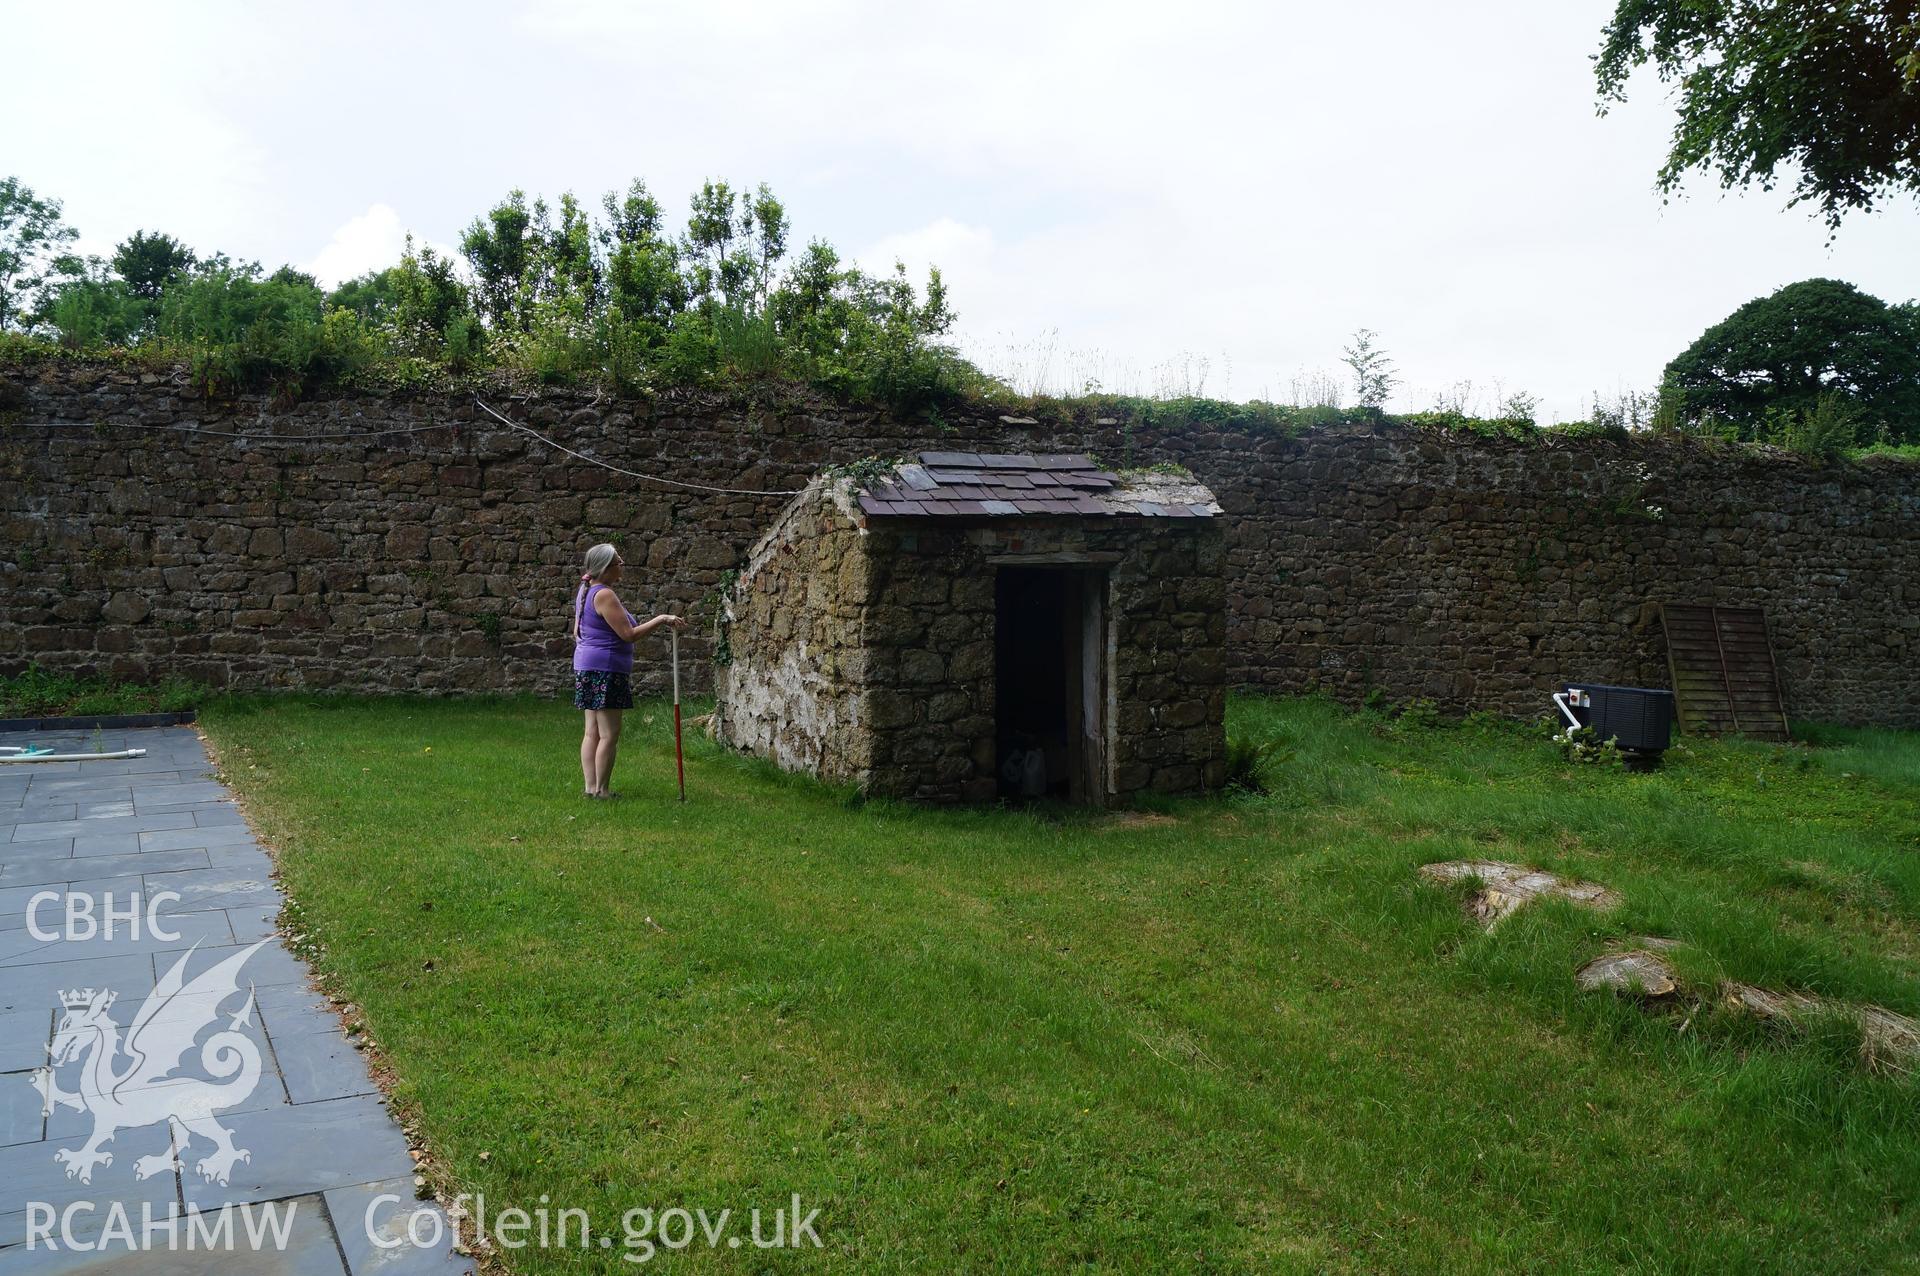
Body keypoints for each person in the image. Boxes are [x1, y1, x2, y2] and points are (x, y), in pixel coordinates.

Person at [571, 543, 685, 798]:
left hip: (587, 667)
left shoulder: (585, 591)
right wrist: (662, 619)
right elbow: (628, 635)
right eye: (618, 562)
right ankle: (601, 790)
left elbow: (576, 632)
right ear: (605, 568)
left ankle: (590, 788)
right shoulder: (604, 594)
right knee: (609, 734)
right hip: (606, 670)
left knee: (592, 731)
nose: (622, 566)